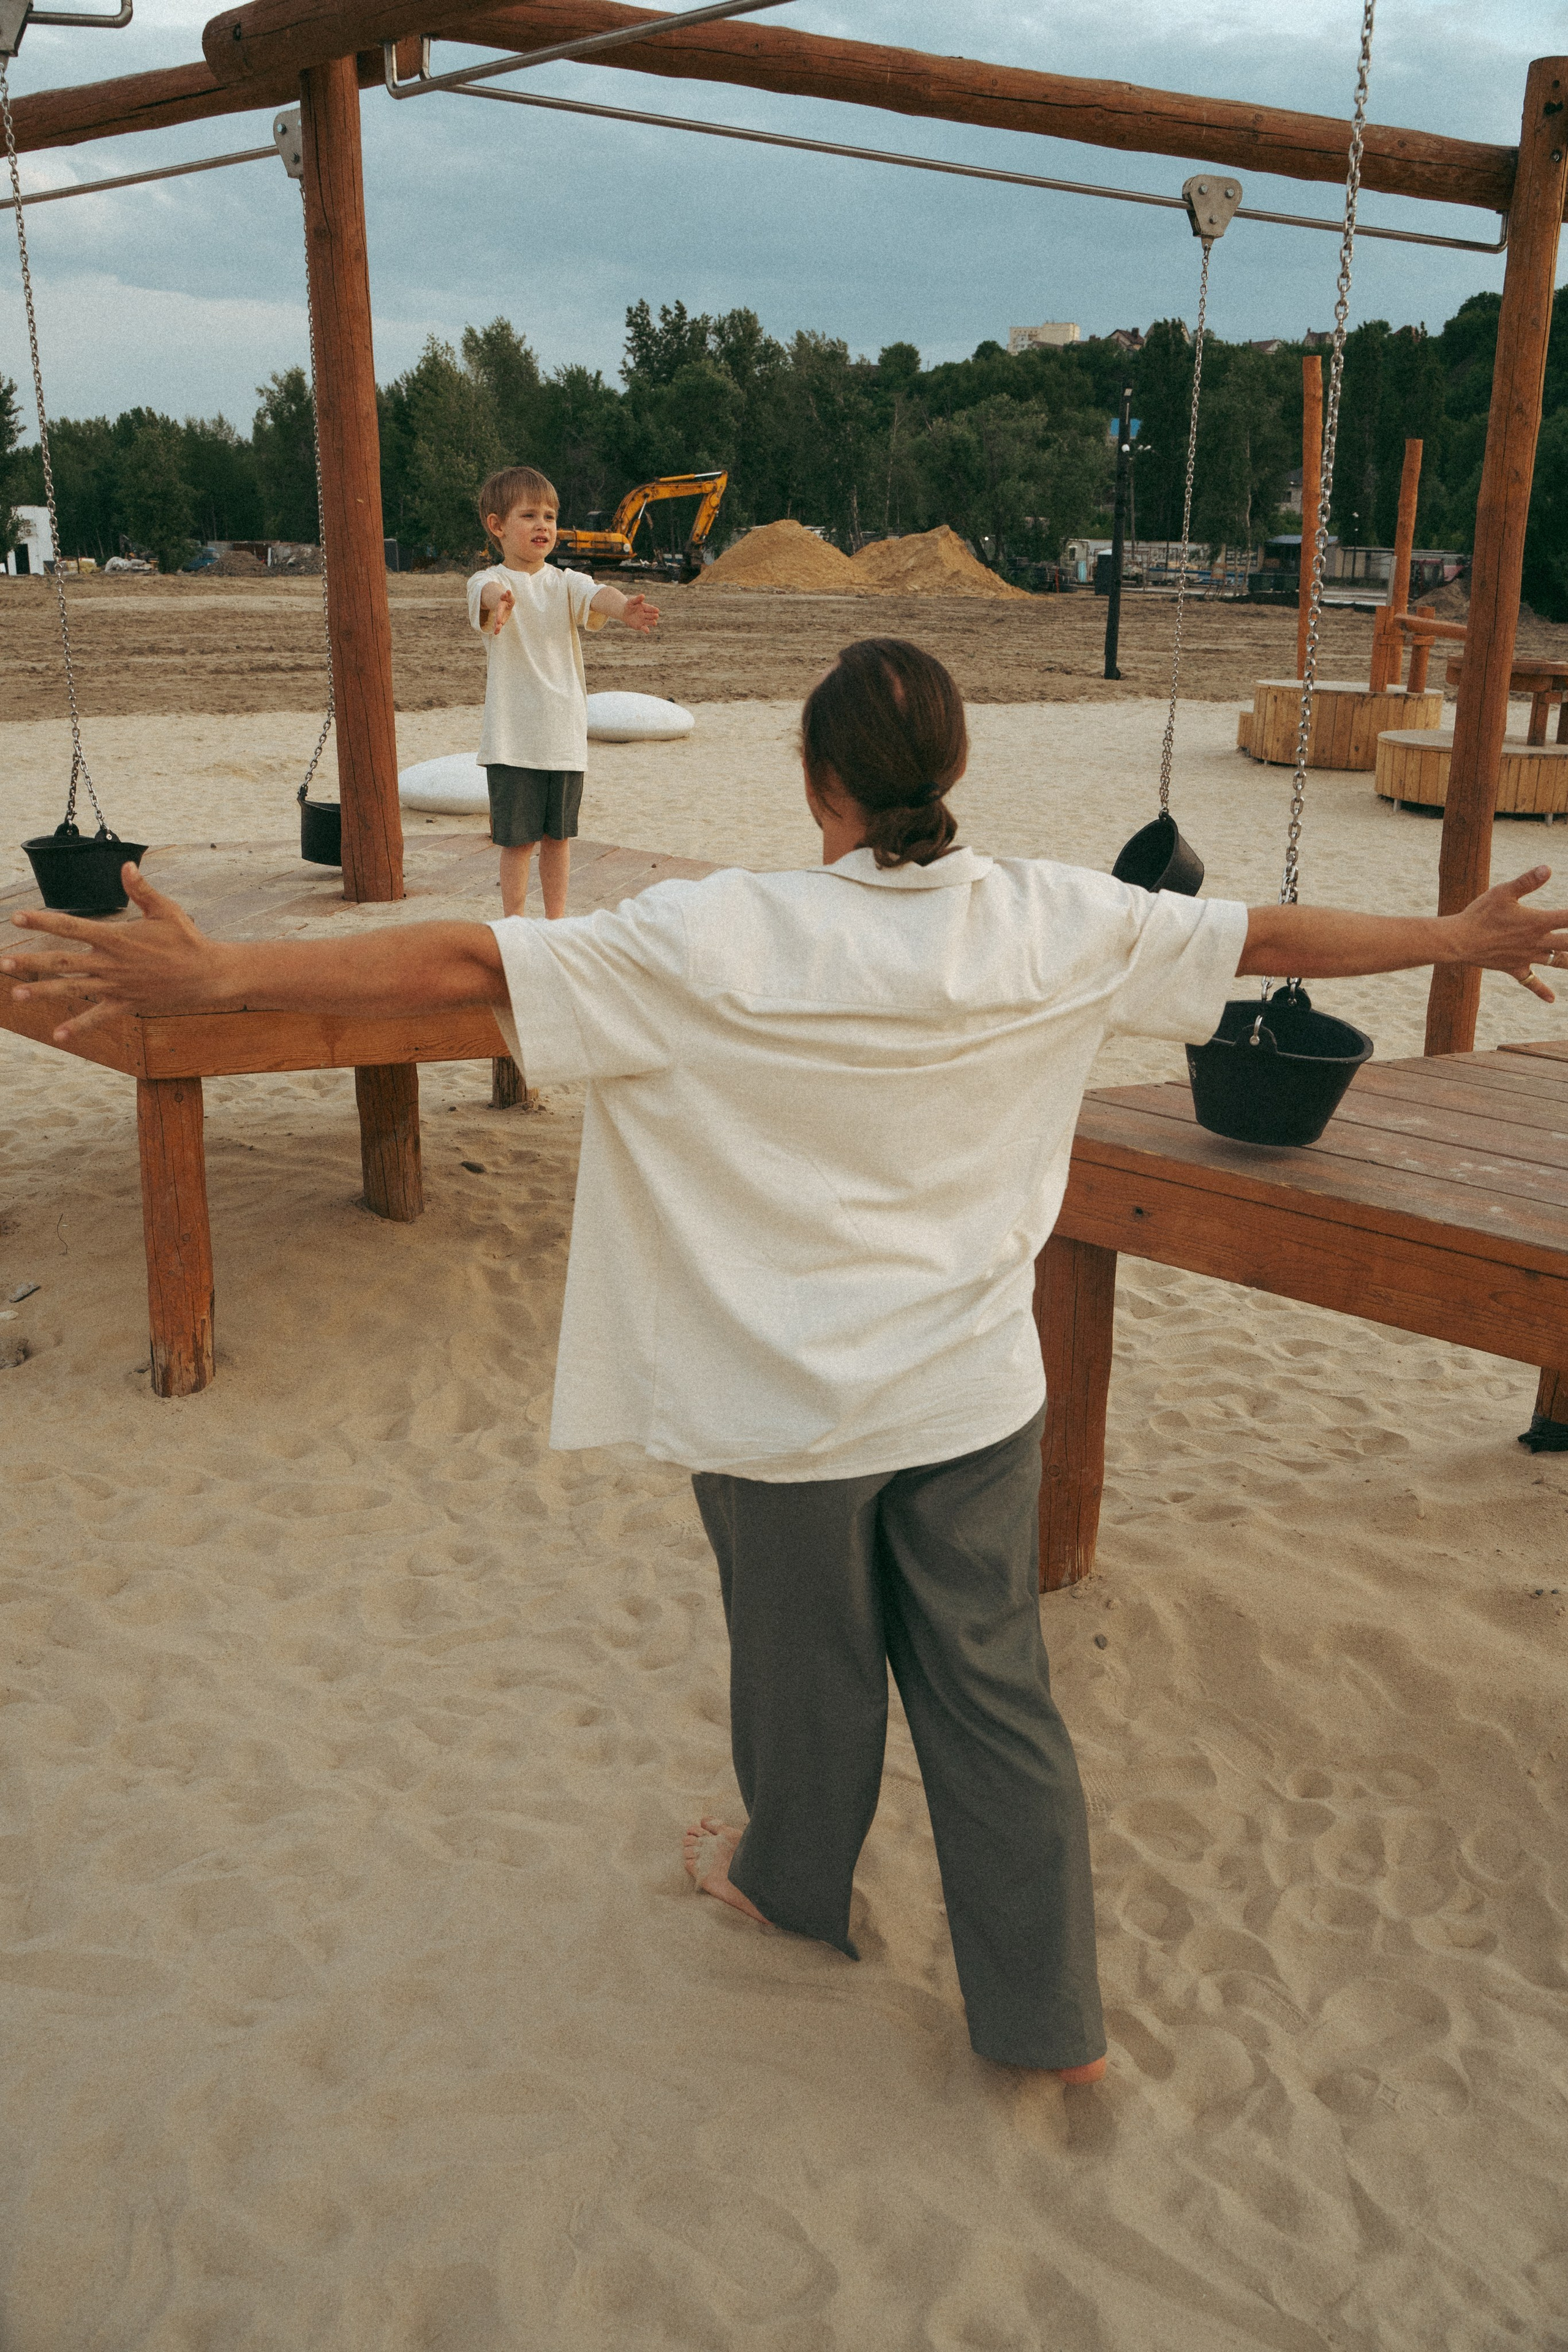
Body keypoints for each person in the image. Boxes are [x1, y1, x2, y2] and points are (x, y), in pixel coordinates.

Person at [6, 639, 1565, 2084]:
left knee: (803, 1661)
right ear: (946, 769)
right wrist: (1451, 933)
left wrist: (220, 982)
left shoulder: (713, 933)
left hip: (776, 1402)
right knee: (993, 1687)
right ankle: (1048, 2027)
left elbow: (466, 969)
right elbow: (1262, 936)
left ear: (815, 783)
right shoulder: (1055, 916)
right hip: (968, 1392)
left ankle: (787, 1887)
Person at [470, 465, 660, 918]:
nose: (544, 526)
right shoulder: (488, 580)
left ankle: (557, 923)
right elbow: (486, 591)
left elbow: (599, 594)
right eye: (529, 515)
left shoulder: (565, 581)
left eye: (551, 517)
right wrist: (500, 602)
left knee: (559, 839)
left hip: (563, 738)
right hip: (513, 741)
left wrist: (624, 611)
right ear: (497, 526)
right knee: (518, 843)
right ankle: (514, 924)